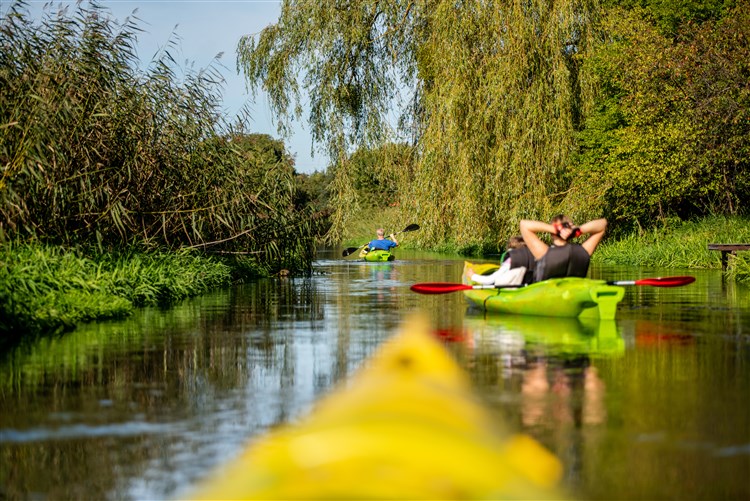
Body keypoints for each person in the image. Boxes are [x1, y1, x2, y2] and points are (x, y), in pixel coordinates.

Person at [519, 215, 607, 282]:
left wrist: (556, 229)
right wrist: (577, 230)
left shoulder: (543, 252)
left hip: (548, 299)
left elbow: (524, 225)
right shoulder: (583, 251)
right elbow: (603, 224)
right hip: (573, 298)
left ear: (551, 233)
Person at [465, 235, 530, 286]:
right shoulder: (530, 259)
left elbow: (489, 280)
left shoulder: (510, 260)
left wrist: (473, 276)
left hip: (508, 289)